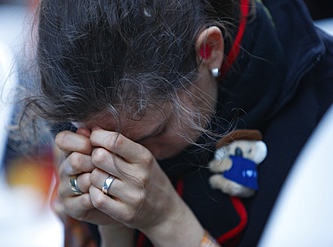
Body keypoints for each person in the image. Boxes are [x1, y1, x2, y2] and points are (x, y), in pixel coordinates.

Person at [19, 0, 333, 246]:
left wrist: (168, 222)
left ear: (209, 50)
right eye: (95, 136)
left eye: (155, 133)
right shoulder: (76, 105)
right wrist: (111, 230)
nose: (131, 163)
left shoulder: (316, 109)